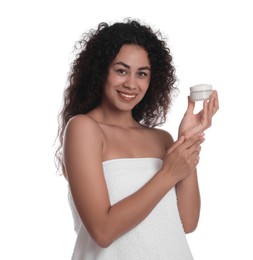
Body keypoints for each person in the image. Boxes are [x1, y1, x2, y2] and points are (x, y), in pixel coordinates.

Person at [55, 18, 219, 260]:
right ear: (101, 71)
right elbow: (103, 231)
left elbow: (187, 222)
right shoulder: (83, 129)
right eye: (121, 70)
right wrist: (168, 174)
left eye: (142, 74)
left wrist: (187, 139)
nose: (131, 84)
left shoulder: (162, 139)